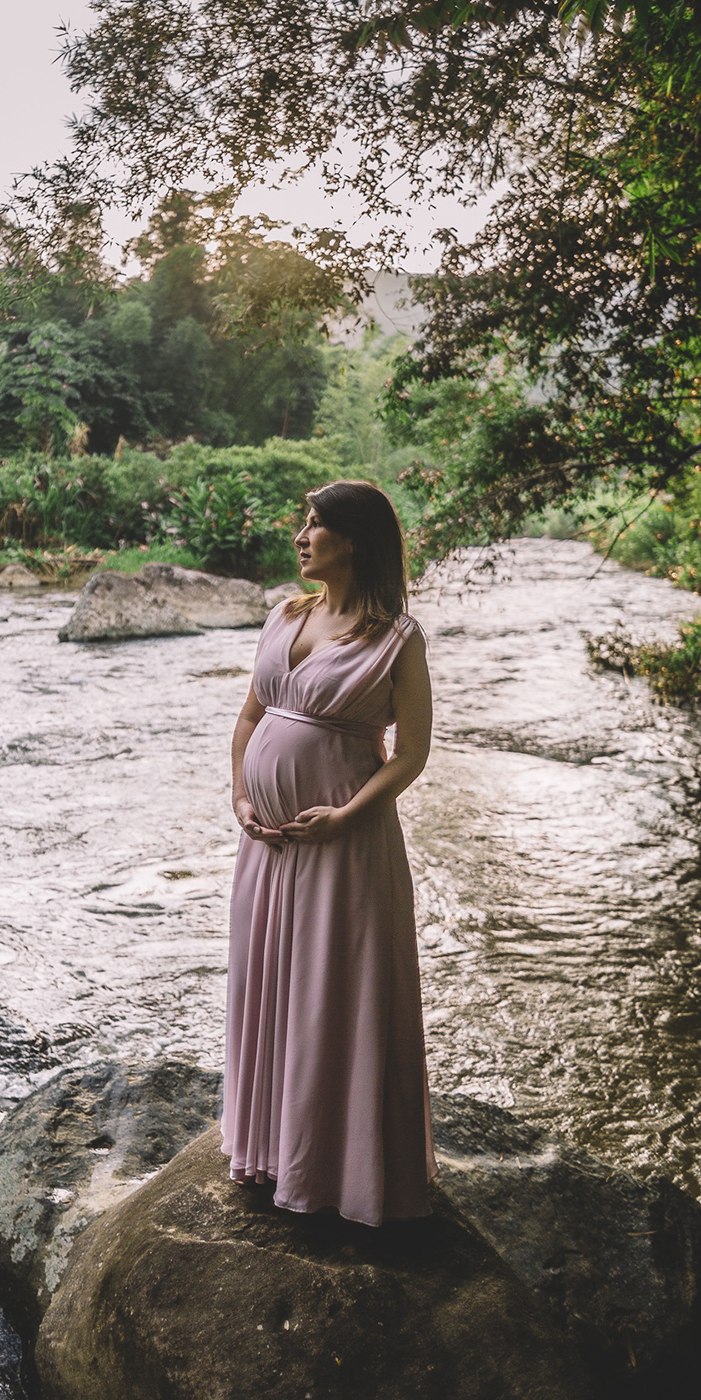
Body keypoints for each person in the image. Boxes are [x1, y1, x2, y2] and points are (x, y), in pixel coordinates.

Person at [221, 479, 437, 1225]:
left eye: (317, 524)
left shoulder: (396, 639)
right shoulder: (284, 614)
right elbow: (250, 717)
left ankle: (337, 1174)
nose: (302, 534)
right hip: (269, 846)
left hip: (344, 847)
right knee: (268, 987)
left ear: (355, 540)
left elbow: (410, 755)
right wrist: (243, 798)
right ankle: (269, 1150)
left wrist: (344, 815)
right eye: (304, 521)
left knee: (332, 1000)